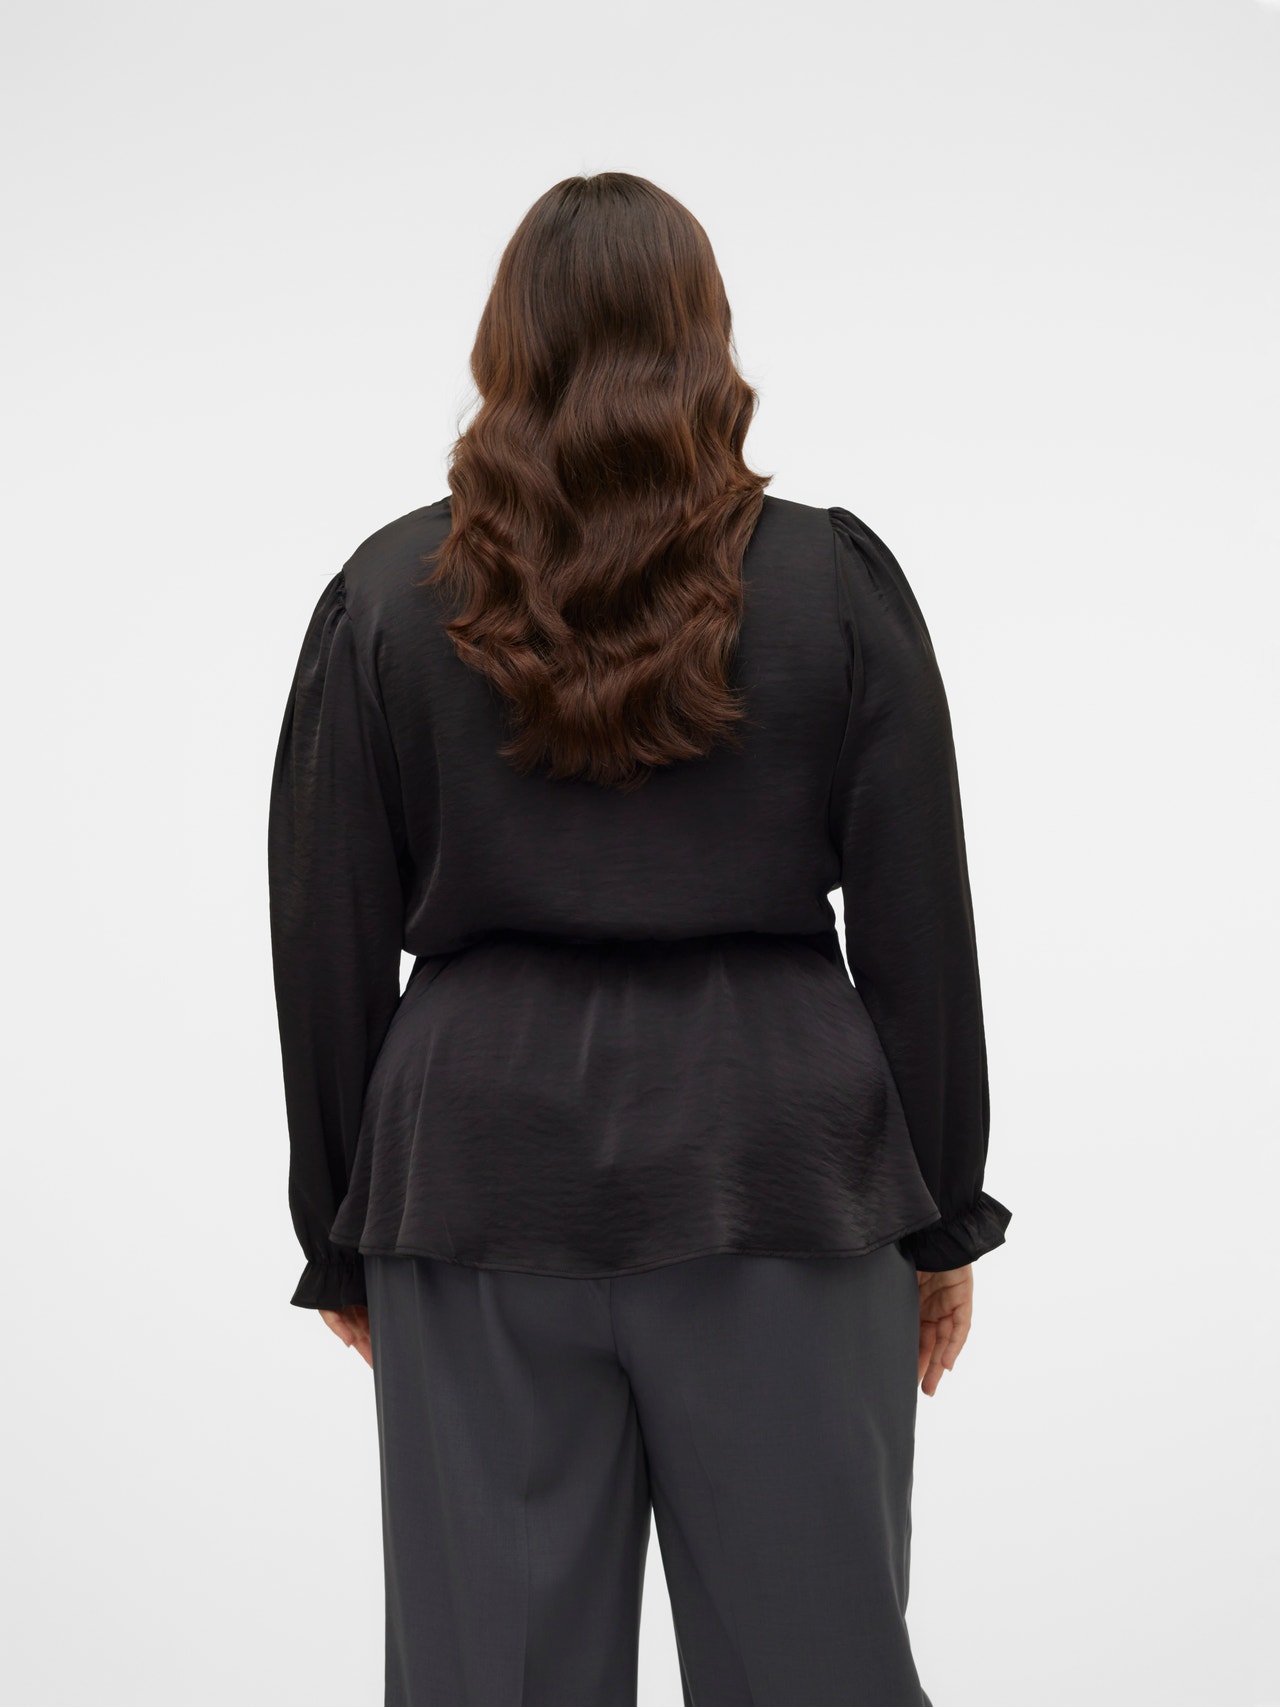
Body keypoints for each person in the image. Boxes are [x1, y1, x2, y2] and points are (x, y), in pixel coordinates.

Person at [267, 170, 1011, 1707]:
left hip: (474, 1181)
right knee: (818, 1677)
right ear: (707, 341)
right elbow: (921, 928)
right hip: (785, 1174)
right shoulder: (835, 589)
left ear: (505, 349)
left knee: (492, 1684)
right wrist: (938, 1217)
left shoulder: (386, 601)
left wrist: (339, 1226)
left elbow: (323, 939)